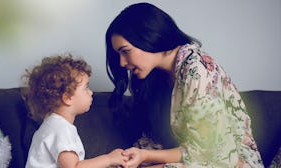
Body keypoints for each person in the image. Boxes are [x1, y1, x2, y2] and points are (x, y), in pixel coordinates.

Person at [105, 2, 263, 168]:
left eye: (125, 51)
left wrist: (145, 156)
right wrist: (126, 158)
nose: (122, 63)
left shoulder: (197, 68)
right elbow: (155, 140)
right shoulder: (157, 78)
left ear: (147, 37)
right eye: (118, 54)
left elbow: (211, 151)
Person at [24, 54, 128, 168]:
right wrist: (109, 159)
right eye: (86, 87)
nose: (91, 92)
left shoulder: (53, 125)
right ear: (67, 98)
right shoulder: (60, 129)